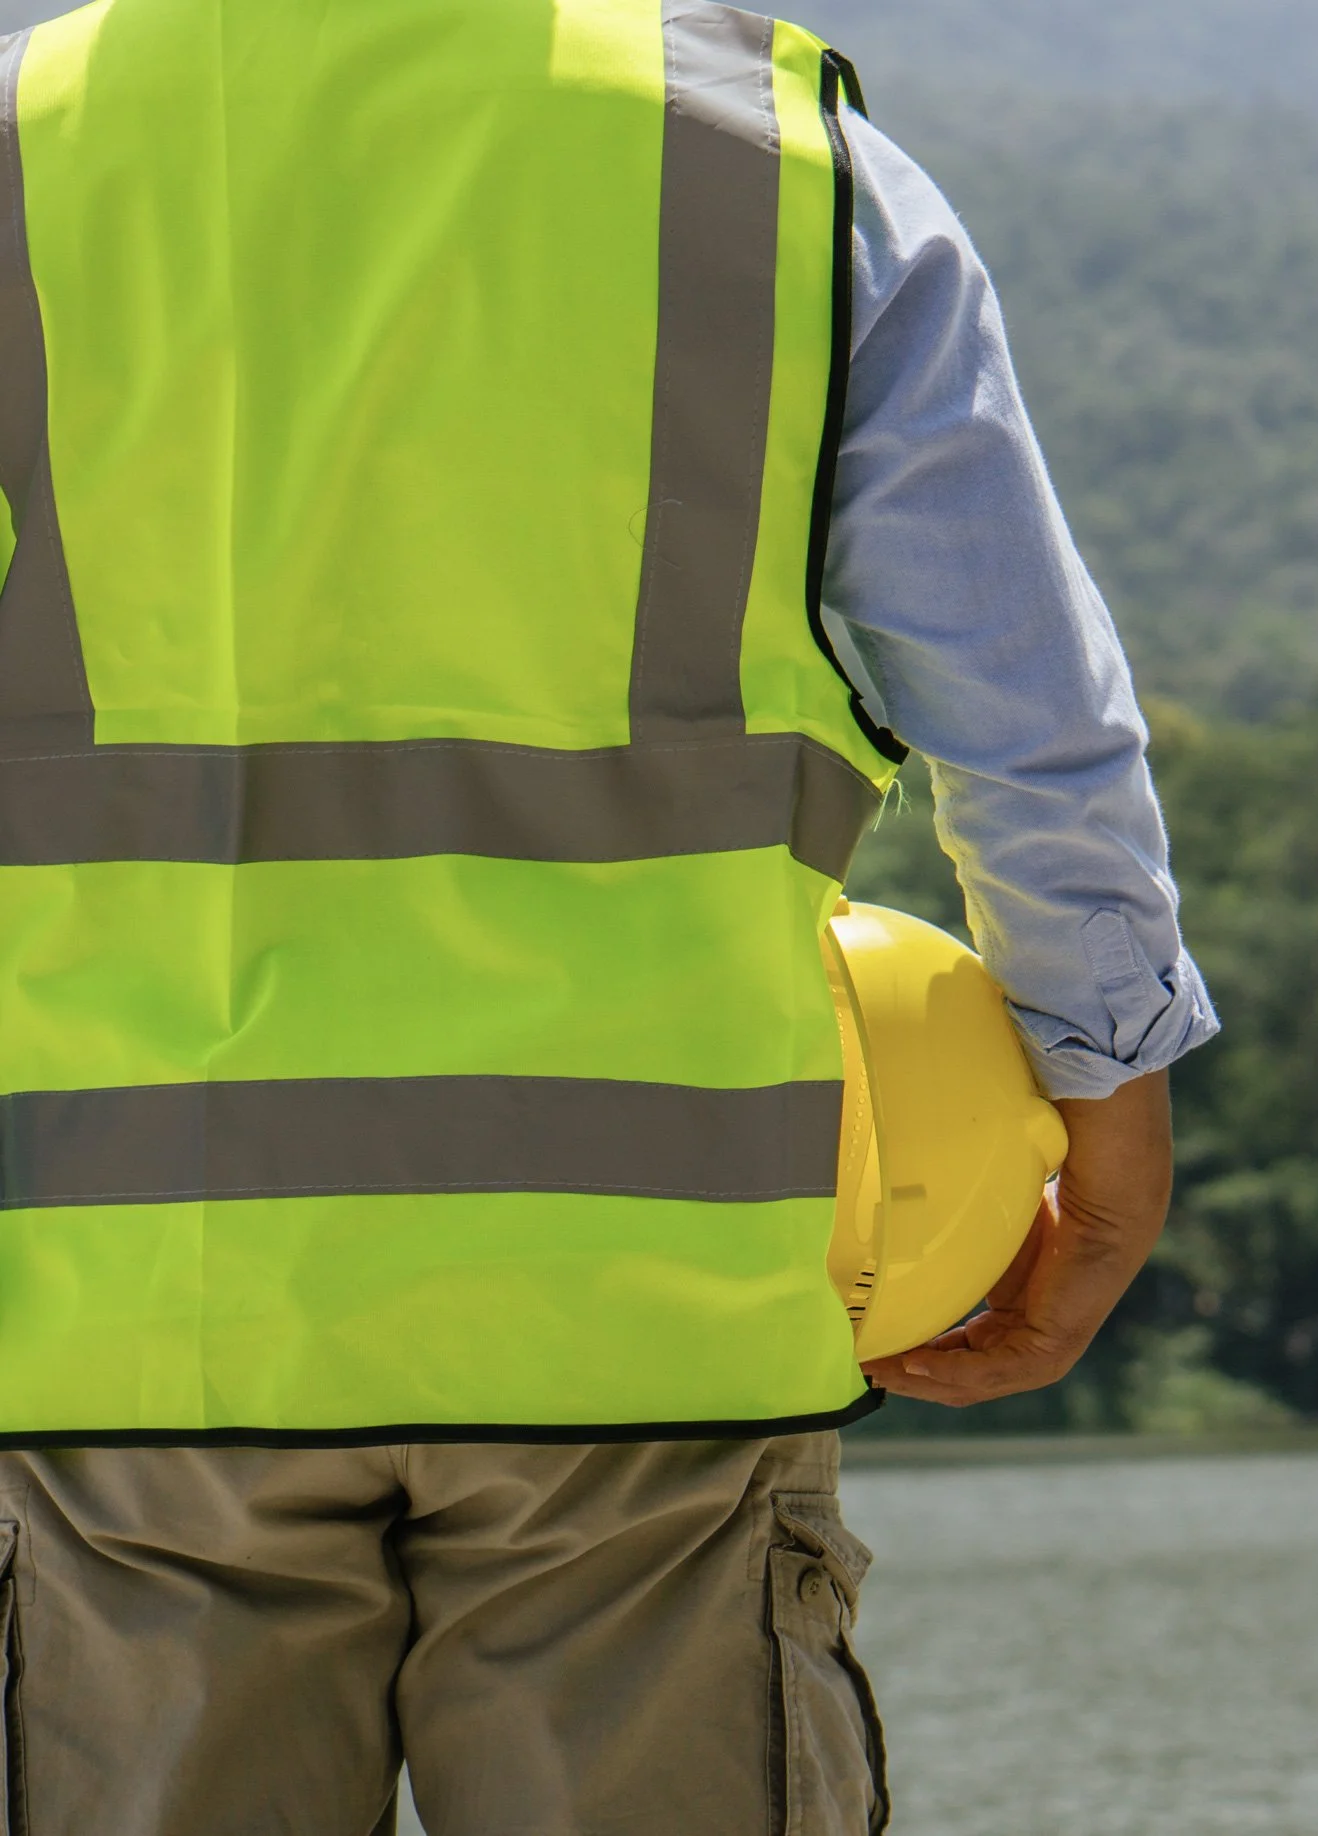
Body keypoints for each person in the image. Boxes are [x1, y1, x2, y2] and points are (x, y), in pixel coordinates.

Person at [0, 0, 1215, 1829]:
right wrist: (1106, 1092)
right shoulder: (780, 168)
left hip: (127, 1331)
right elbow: (1027, 716)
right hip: (652, 1320)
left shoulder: (23, 152)